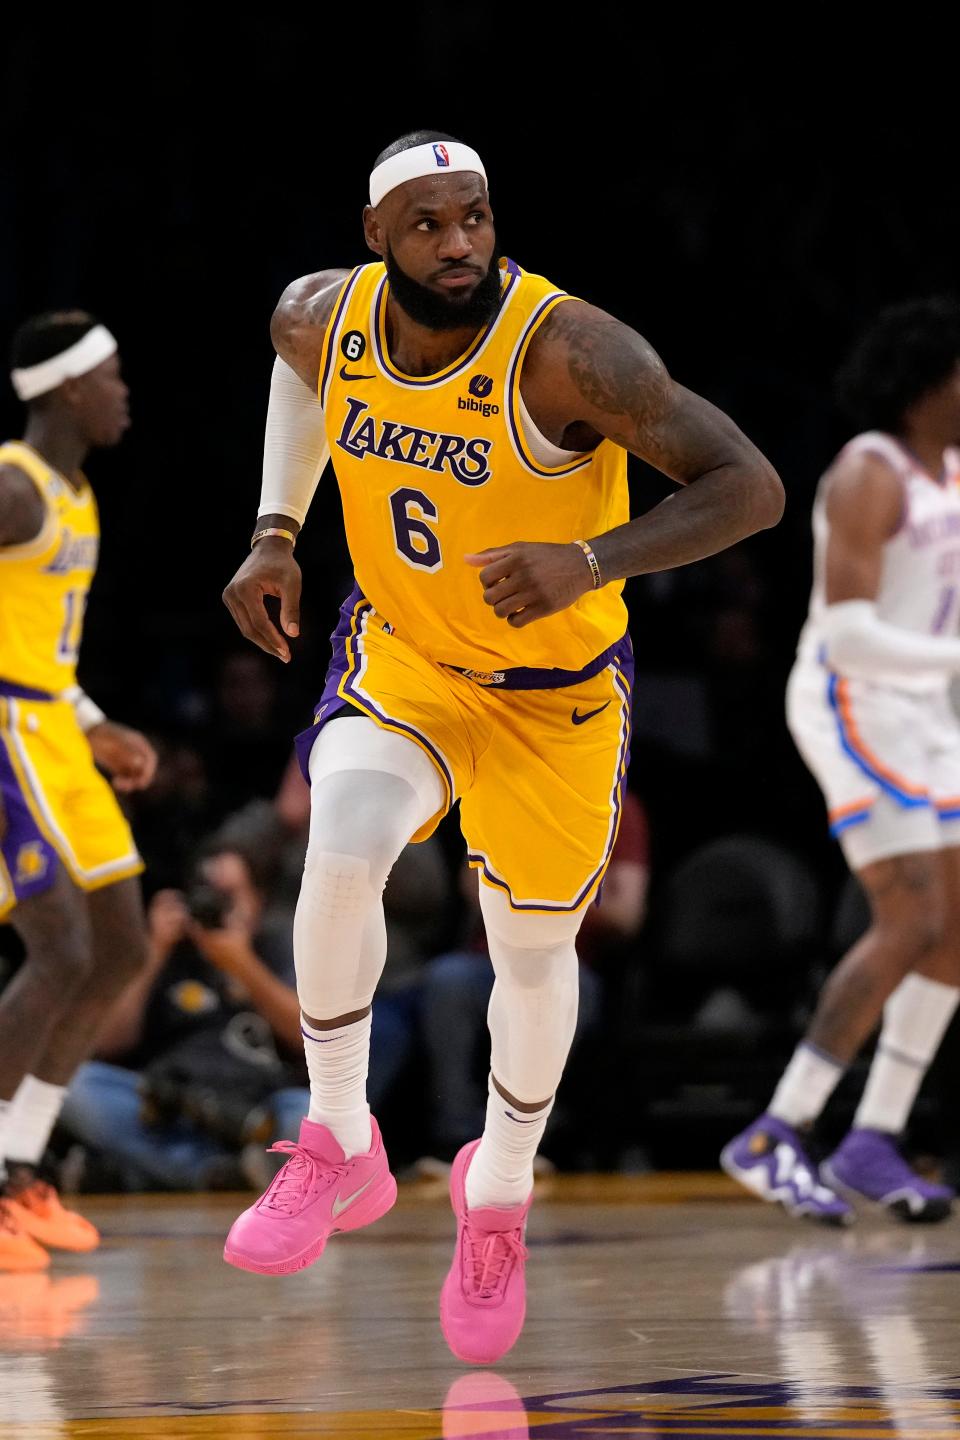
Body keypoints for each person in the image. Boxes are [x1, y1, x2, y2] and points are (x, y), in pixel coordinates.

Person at [221, 130, 783, 1363]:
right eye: (429, 225)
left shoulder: (574, 351)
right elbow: (297, 371)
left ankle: (500, 1195)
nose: (461, 244)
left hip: (557, 696)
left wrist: (589, 559)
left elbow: (750, 485)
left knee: (531, 958)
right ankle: (337, 1142)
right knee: (342, 843)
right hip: (412, 661)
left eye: (474, 217)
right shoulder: (323, 315)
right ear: (377, 238)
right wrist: (275, 528)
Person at [722, 297, 960, 1225]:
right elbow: (854, 633)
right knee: (909, 916)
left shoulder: (950, 478)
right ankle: (777, 1130)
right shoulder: (870, 471)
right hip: (851, 696)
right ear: (928, 381)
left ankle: (872, 1139)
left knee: (955, 929)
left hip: (927, 708)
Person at [0, 312, 156, 1271]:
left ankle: (18, 1168)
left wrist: (93, 718)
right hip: (5, 729)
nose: (124, 394)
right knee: (55, 947)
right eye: (112, 377)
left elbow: (40, 638)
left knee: (120, 946)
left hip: (52, 721)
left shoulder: (75, 493)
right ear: (66, 390)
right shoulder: (14, 491)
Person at [61, 843, 309, 1191]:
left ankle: (157, 1173)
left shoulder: (280, 947)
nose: (217, 909)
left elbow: (310, 1038)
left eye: (230, 897)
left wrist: (241, 964)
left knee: (309, 1113)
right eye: (208, 897)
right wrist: (153, 951)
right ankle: (219, 1172)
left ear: (258, 898)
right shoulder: (167, 954)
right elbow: (108, 1043)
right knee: (76, 1086)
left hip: (261, 1106)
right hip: (171, 1103)